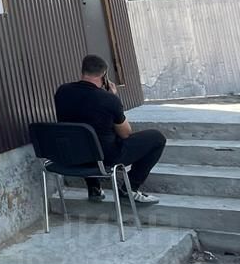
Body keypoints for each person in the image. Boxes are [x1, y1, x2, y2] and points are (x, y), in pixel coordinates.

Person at [53, 55, 166, 204]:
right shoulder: (109, 99)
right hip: (105, 158)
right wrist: (113, 99)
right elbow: (126, 133)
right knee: (157, 138)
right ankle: (129, 189)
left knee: (83, 139)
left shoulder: (62, 92)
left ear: (83, 70)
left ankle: (94, 188)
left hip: (73, 155)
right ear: (104, 75)